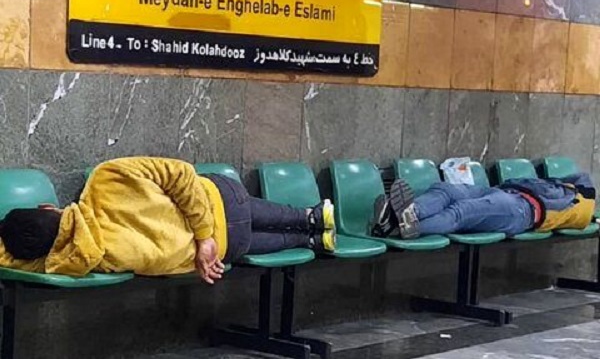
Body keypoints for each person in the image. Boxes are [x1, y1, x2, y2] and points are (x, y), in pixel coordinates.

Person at [0, 157, 336, 283]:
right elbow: (181, 173)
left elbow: (16, 261)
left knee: (250, 240)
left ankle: (310, 239)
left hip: (221, 250)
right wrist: (205, 234)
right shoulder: (105, 178)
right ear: (48, 206)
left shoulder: (87, 259)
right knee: (244, 212)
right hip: (221, 203)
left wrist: (205, 245)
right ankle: (309, 216)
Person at [372, 173, 596, 240]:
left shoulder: (581, 203)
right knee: (445, 189)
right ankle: (409, 214)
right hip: (502, 191)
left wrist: (573, 189)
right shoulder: (565, 186)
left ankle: (401, 227)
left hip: (522, 211)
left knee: (461, 211)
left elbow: (582, 183)